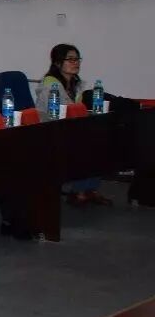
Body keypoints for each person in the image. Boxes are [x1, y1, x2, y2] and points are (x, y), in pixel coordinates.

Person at [37, 43, 109, 206]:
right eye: (70, 59)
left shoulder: (75, 84)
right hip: (50, 131)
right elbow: (57, 114)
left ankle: (89, 189)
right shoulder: (50, 85)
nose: (75, 63)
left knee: (101, 140)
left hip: (70, 128)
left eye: (77, 59)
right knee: (87, 145)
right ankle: (79, 191)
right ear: (57, 63)